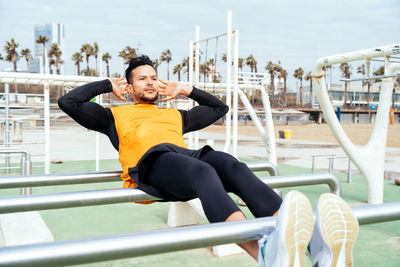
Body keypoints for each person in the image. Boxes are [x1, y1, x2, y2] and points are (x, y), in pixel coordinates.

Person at [58, 55, 359, 266]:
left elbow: (219, 108)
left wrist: (187, 89)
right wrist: (106, 85)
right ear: (130, 86)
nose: (150, 83)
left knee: (230, 165)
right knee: (202, 170)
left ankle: (316, 249)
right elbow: (68, 102)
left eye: (153, 78)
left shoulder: (175, 114)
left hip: (183, 161)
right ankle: (264, 254)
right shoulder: (113, 116)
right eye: (142, 79)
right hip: (150, 166)